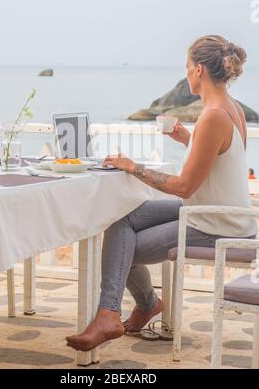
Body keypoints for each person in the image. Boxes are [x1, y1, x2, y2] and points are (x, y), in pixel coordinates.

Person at [66, 35, 257, 352]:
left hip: (217, 224)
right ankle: (143, 306)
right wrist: (188, 140)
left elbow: (183, 186)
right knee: (119, 221)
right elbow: (221, 161)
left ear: (198, 70)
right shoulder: (230, 108)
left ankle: (110, 314)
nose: (185, 74)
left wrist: (132, 166)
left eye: (186, 68)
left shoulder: (213, 116)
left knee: (121, 249)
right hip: (215, 212)